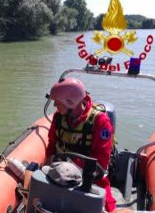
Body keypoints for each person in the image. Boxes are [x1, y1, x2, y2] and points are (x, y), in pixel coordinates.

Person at [45, 77, 116, 212]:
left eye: (57, 102)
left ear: (70, 102)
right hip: (60, 171)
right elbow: (52, 145)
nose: (55, 106)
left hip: (91, 177)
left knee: (106, 207)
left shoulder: (100, 121)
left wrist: (74, 173)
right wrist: (50, 168)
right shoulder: (58, 117)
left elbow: (102, 160)